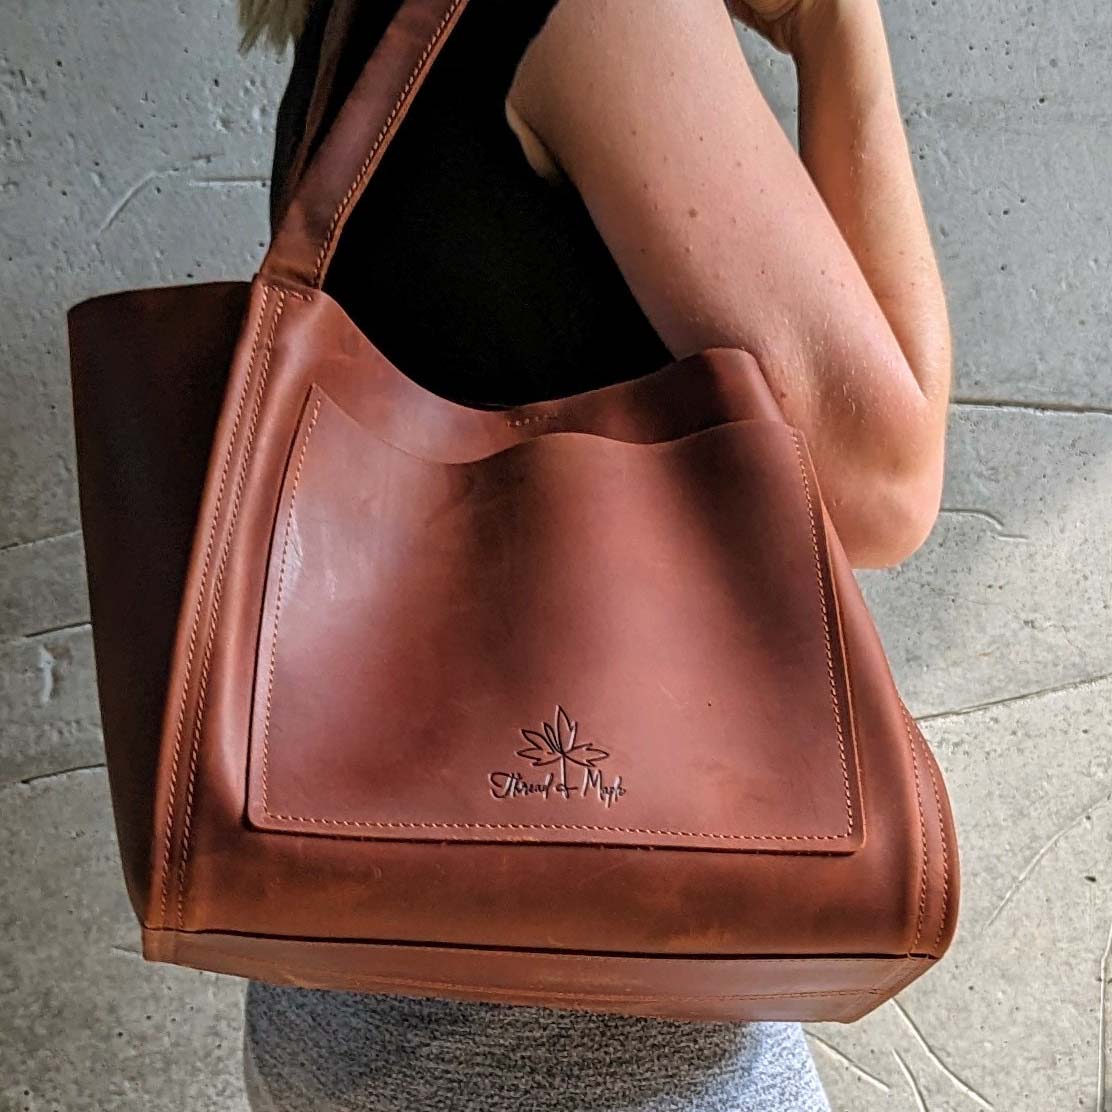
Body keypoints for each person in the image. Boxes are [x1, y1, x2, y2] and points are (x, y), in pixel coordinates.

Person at [239, 0, 952, 1108]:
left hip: (336, 996)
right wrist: (835, 29)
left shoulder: (356, 20)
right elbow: (883, 485)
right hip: (594, 1038)